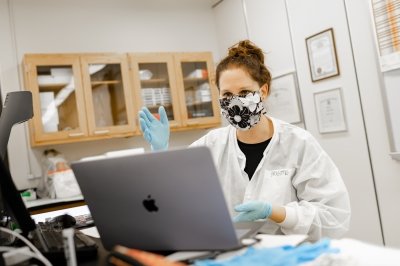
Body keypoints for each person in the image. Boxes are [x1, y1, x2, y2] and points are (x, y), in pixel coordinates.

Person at [138, 40, 351, 241]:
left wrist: (276, 212)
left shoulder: (298, 144)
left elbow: (334, 219)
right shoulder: (210, 146)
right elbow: (172, 197)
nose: (236, 102)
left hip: (288, 257)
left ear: (264, 90)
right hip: (231, 255)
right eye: (227, 94)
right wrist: (161, 153)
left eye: (245, 92)